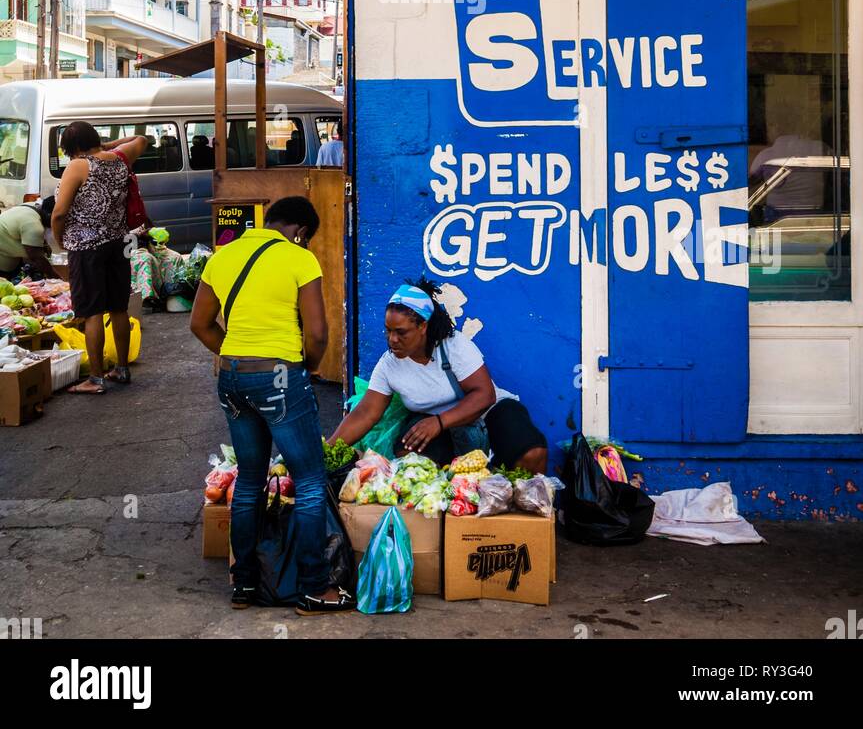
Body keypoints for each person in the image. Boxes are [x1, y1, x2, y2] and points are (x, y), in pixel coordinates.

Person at [190, 196, 355, 616]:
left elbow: (199, 323)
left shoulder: (223, 256)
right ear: (300, 230)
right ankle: (315, 587)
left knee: (249, 479)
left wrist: (233, 358)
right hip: (281, 375)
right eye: (307, 237)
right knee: (311, 479)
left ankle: (244, 585)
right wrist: (308, 371)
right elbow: (317, 333)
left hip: (233, 377)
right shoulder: (298, 259)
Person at [327, 279, 548, 473]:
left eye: (401, 332)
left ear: (423, 326)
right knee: (412, 466)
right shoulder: (389, 364)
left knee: (532, 455)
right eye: (388, 330)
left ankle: (524, 517)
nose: (392, 339)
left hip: (487, 414)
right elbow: (366, 413)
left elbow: (484, 395)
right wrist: (326, 452)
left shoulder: (453, 346)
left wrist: (440, 422)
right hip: (435, 427)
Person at [51, 121, 150, 395]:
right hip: (118, 242)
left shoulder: (78, 166)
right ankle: (121, 368)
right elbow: (141, 138)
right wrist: (107, 146)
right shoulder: (120, 159)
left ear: (74, 148)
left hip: (86, 248)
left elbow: (59, 213)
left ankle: (95, 378)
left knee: (92, 312)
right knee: (119, 307)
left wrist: (60, 240)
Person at [0, 197, 57, 279]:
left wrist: (43, 244)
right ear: (50, 215)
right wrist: (58, 279)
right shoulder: (33, 225)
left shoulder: (32, 206)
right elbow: (37, 258)